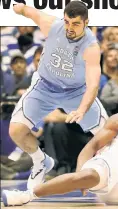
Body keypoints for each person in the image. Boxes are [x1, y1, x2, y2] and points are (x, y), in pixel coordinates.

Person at [9, 1, 108, 190]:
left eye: (75, 24)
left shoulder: (91, 47)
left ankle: (108, 174)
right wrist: (18, 7)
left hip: (76, 92)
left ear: (86, 23)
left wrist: (82, 109)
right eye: (67, 22)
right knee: (16, 131)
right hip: (44, 87)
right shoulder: (53, 25)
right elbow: (29, 11)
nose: (69, 28)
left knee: (107, 135)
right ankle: (41, 161)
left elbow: (93, 84)